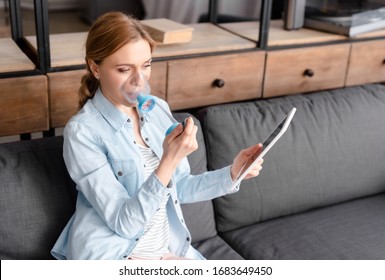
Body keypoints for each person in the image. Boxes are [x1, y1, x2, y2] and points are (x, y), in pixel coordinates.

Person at [51, 11, 263, 260]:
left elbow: (179, 186)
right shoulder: (82, 133)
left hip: (162, 252)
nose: (139, 81)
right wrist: (169, 160)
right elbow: (124, 223)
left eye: (146, 65)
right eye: (123, 69)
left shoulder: (156, 109)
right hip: (114, 255)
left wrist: (232, 173)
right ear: (95, 67)